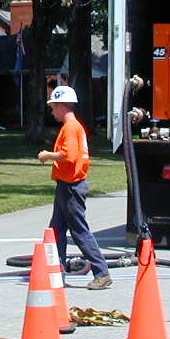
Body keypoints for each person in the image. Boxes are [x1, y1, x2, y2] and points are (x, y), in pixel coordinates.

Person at [37, 85, 112, 290]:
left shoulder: (70, 127)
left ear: (61, 106)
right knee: (57, 230)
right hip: (67, 184)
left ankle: (102, 272)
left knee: (79, 231)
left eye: (53, 107)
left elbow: (68, 155)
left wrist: (47, 155)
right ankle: (56, 272)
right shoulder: (74, 126)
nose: (52, 111)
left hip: (72, 185)